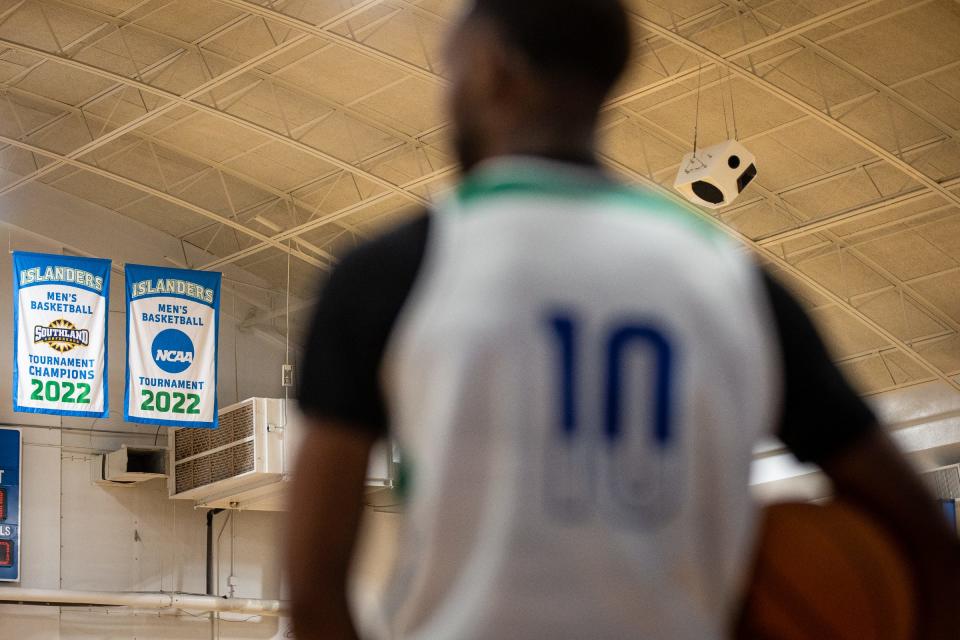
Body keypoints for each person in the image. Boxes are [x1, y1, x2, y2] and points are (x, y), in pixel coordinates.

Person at [286, 1, 960, 638]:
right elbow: (925, 540)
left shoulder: (389, 274)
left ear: (493, 65)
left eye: (450, 64)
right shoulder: (735, 283)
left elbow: (315, 586)